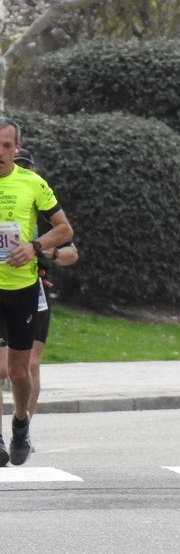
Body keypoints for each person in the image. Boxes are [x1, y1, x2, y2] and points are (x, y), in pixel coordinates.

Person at [0, 119, 74, 467]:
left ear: (16, 148)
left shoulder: (33, 182)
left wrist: (33, 246)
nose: (0, 153)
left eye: (6, 146)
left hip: (22, 290)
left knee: (19, 373)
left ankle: (20, 423)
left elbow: (63, 229)